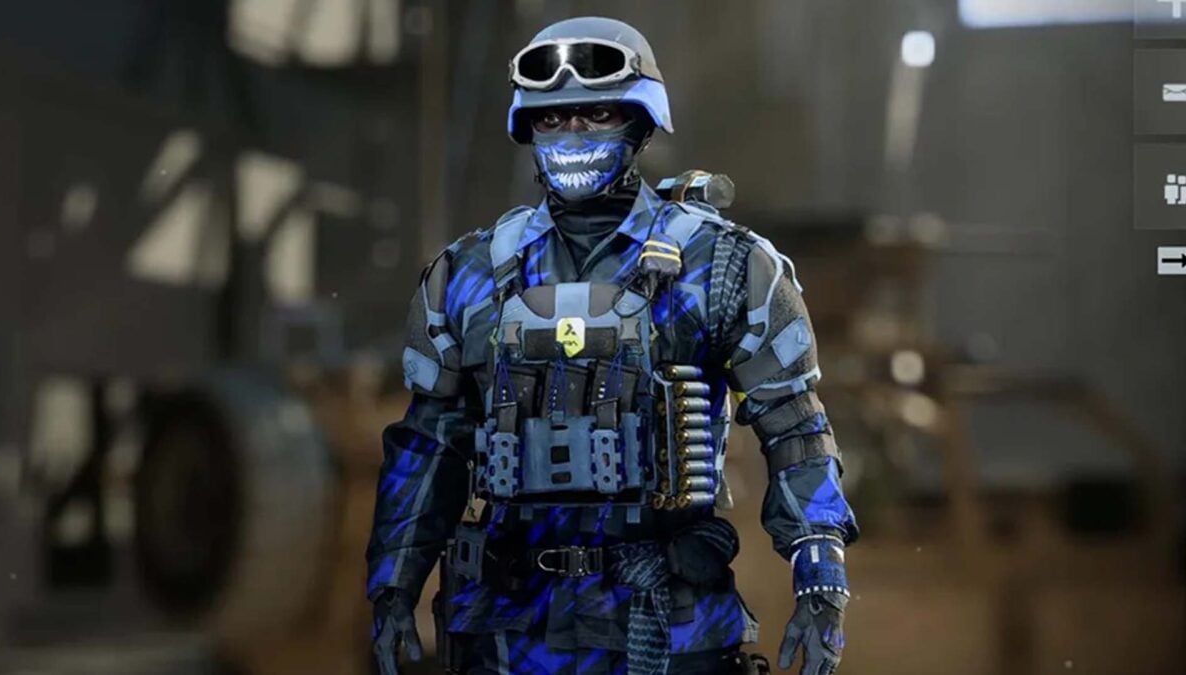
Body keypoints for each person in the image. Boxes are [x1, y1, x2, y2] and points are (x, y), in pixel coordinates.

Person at [367, 16, 857, 675]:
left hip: (665, 618)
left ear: (639, 122)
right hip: (508, 629)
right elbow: (430, 444)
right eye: (552, 118)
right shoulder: (469, 274)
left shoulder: (722, 267)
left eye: (596, 114)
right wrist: (394, 583)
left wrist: (820, 574)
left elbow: (795, 429)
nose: (573, 132)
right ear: (528, 128)